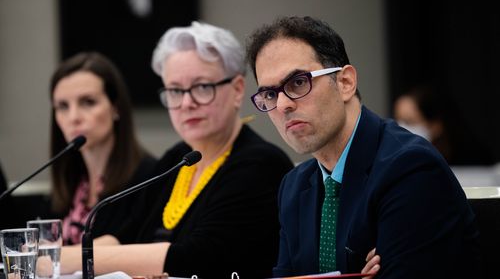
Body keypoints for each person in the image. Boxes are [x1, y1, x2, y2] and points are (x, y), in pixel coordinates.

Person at [245, 16, 481, 278]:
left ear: (345, 83)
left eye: (298, 82)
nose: (282, 106)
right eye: (269, 94)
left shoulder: (410, 168)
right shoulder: (293, 186)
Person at [60, 22, 295, 278]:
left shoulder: (259, 164)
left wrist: (56, 259)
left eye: (202, 87)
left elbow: (194, 257)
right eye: (174, 90)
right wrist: (54, 255)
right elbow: (123, 236)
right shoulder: (178, 158)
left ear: (237, 90)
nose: (186, 103)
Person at [48, 52, 157, 245]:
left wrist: (47, 258)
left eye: (88, 102)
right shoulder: (70, 181)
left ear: (116, 108)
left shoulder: (148, 178)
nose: (73, 117)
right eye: (63, 106)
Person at [394, 85, 494, 165]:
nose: (400, 127)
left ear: (436, 125)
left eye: (409, 121)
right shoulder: (402, 162)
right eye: (396, 120)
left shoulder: (473, 160)